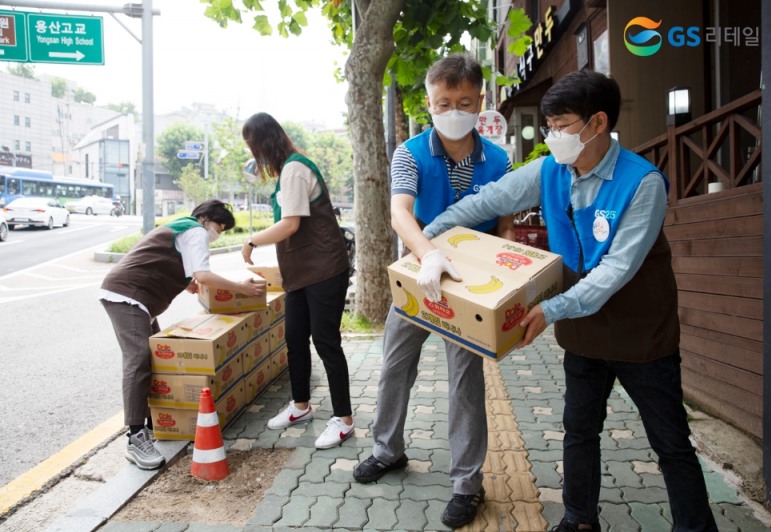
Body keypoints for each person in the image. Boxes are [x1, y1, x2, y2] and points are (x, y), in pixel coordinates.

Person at [422, 70, 718, 532]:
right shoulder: (550, 171)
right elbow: (488, 200)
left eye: (561, 126)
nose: (553, 137)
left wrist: (549, 309)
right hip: (583, 332)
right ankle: (579, 519)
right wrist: (428, 237)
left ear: (597, 123)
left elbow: (616, 271)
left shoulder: (643, 184)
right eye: (549, 127)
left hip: (641, 333)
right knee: (580, 431)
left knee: (671, 444)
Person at [352, 54, 515, 529]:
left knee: (465, 381)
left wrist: (502, 281)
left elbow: (504, 224)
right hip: (419, 274)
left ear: (480, 101)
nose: (454, 110)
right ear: (429, 102)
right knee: (394, 366)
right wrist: (427, 255)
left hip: (470, 287)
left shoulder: (499, 159)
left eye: (464, 101)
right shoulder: (411, 152)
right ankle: (387, 450)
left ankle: (467, 483)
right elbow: (400, 212)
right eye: (443, 102)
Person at [100, 200, 265, 470]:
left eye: (222, 231)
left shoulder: (181, 229)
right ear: (204, 219)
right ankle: (134, 437)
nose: (217, 234)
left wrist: (188, 283)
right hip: (127, 297)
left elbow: (176, 267)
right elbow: (203, 274)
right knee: (139, 359)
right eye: (218, 227)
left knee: (155, 359)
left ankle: (156, 423)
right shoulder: (195, 230)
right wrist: (240, 289)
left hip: (136, 299)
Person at [241, 112, 355, 450]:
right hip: (301, 274)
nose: (253, 155)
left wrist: (251, 241)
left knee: (325, 342)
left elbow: (290, 225)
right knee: (294, 338)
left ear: (263, 143)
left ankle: (344, 419)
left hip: (323, 271)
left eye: (252, 146)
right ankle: (301, 406)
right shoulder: (288, 171)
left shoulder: (294, 169)